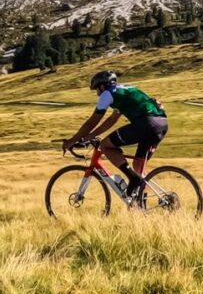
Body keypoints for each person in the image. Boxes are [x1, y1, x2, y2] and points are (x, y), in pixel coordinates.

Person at [62, 70, 168, 201]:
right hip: (161, 124)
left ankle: (132, 178)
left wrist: (72, 141)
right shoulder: (124, 90)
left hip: (146, 124)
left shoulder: (107, 93)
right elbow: (112, 119)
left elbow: (92, 121)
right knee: (138, 167)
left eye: (97, 90)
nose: (97, 94)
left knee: (105, 146)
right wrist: (91, 135)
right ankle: (141, 206)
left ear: (102, 86)